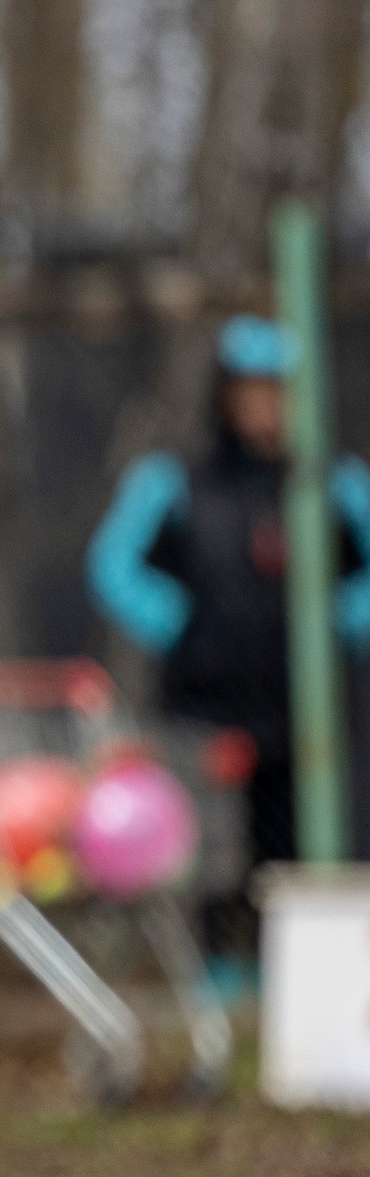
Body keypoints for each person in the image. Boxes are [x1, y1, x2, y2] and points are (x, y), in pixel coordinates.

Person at [88, 315, 370, 962]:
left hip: (307, 715)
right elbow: (113, 563)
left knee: (300, 852)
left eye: (280, 392)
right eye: (252, 392)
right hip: (206, 710)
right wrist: (177, 621)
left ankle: (297, 977)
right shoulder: (175, 483)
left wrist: (343, 621)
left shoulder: (335, 484)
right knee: (213, 860)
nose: (266, 408)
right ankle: (218, 979)